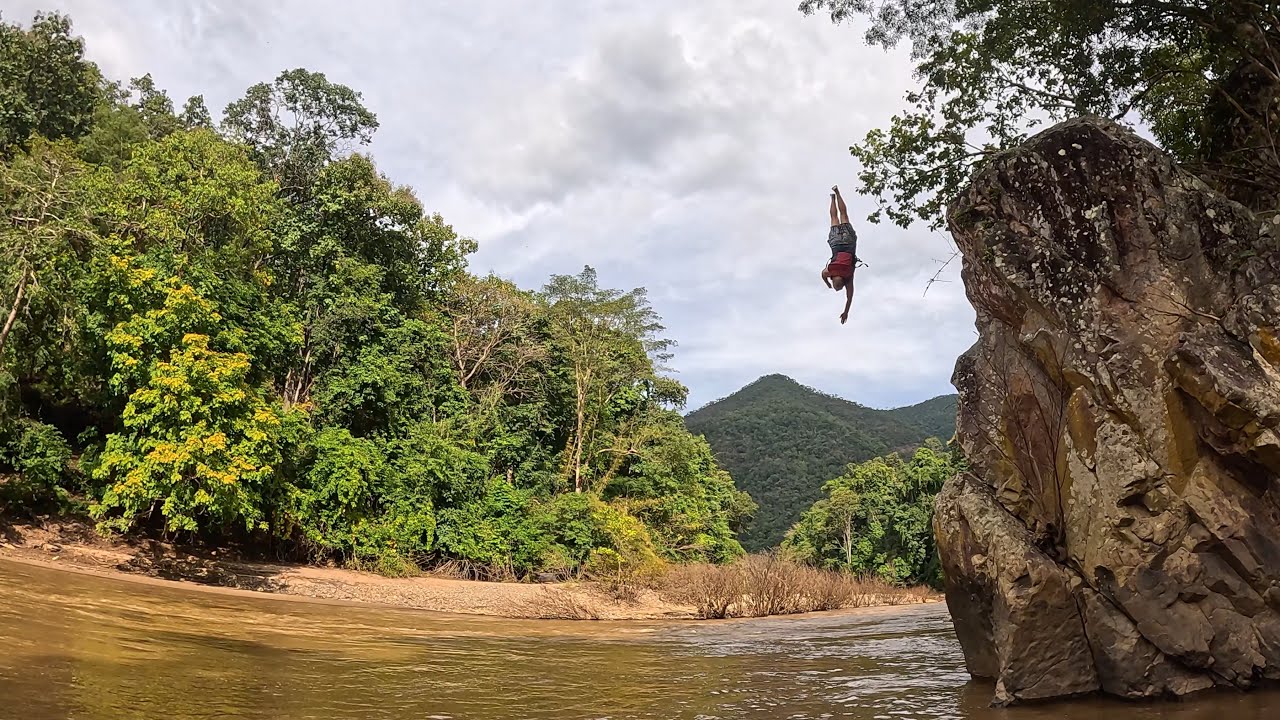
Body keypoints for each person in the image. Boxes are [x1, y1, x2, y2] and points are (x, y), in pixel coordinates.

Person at [821, 185, 858, 324]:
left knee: (844, 216)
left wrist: (846, 312)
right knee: (834, 218)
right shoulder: (828, 272)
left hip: (849, 243)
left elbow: (849, 298)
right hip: (836, 243)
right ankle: (833, 197)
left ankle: (836, 193)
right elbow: (822, 275)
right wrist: (827, 284)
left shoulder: (848, 276)